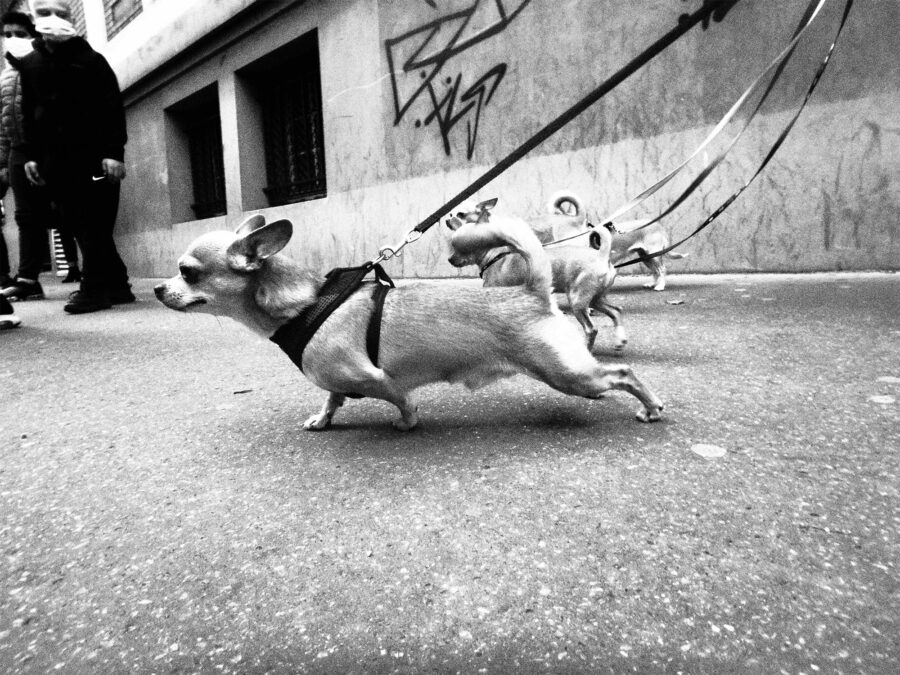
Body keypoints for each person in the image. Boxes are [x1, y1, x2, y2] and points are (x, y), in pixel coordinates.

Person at [15, 0, 132, 314]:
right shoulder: (30, 64)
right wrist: (30, 156)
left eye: (62, 13)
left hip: (94, 158)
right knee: (78, 222)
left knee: (93, 220)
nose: (54, 20)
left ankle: (94, 290)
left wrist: (113, 152)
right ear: (33, 20)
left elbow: (111, 107)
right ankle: (119, 285)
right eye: (44, 13)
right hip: (55, 161)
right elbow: (28, 113)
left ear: (71, 20)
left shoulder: (91, 60)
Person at [0, 8, 80, 301]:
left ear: (34, 36)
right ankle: (28, 278)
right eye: (7, 34)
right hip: (18, 153)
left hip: (49, 149)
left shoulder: (45, 66)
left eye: (20, 34)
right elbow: (4, 124)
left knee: (70, 211)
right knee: (25, 216)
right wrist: (3, 163)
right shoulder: (6, 78)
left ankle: (94, 272)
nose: (12, 39)